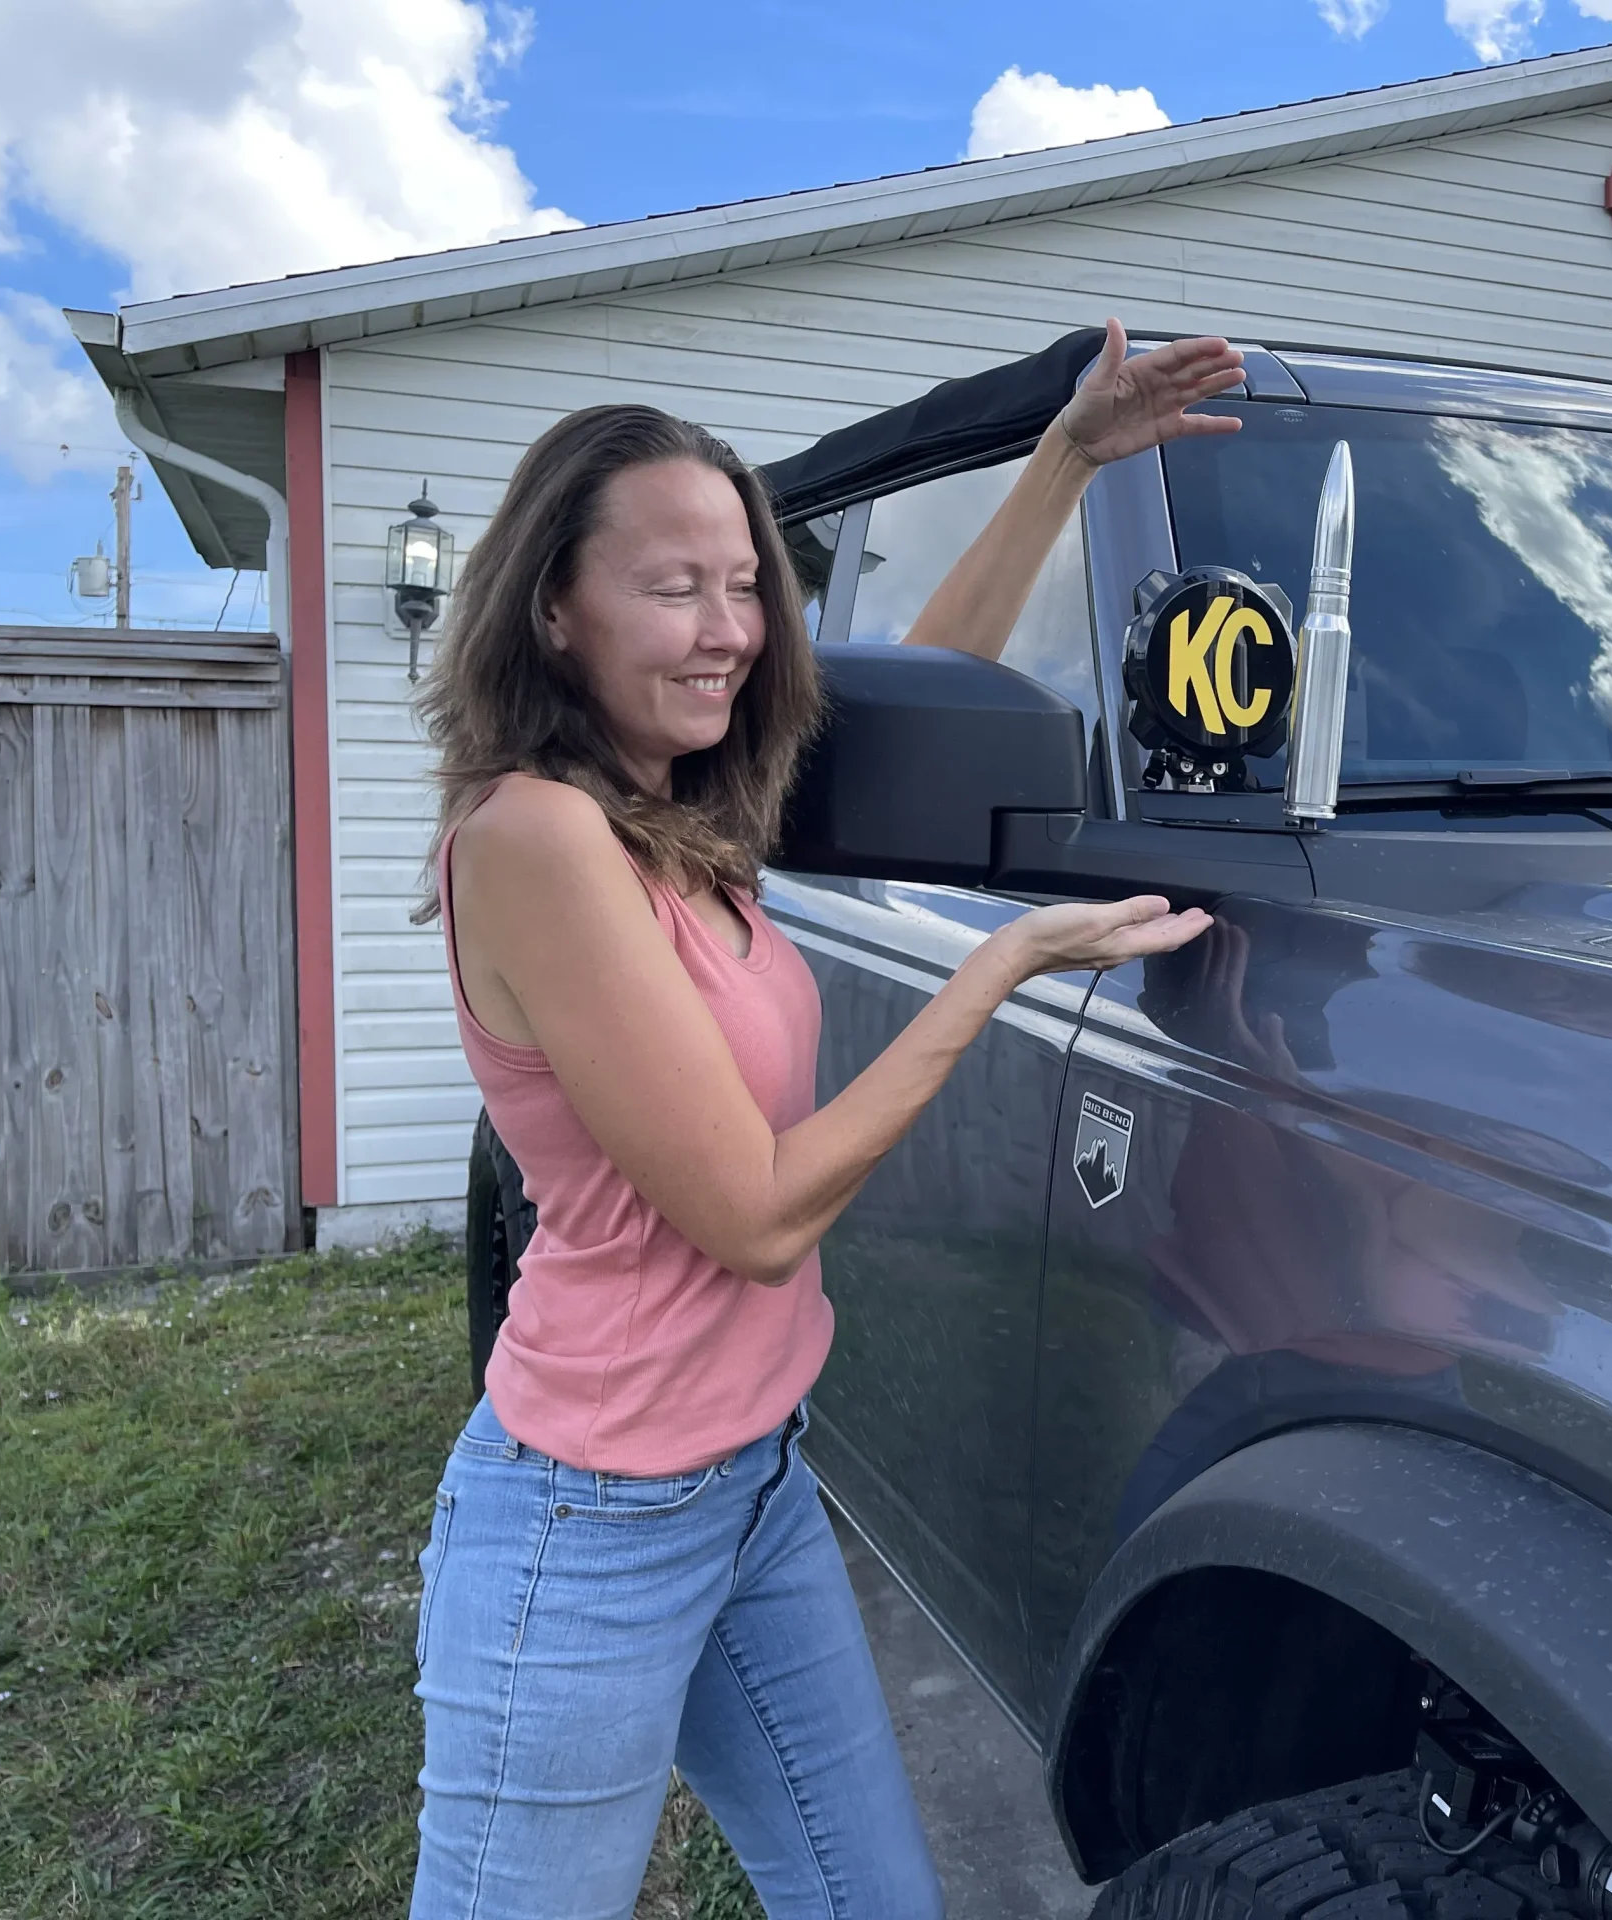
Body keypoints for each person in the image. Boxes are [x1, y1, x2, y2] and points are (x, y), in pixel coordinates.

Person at [404, 321, 1235, 1920]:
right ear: (554, 608)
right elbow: (758, 1215)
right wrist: (999, 966)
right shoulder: (537, 837)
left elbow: (930, 675)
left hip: (753, 1487)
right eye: (672, 587)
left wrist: (1064, 456)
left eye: (745, 584)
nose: (726, 629)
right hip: (590, 1522)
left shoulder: (683, 814)